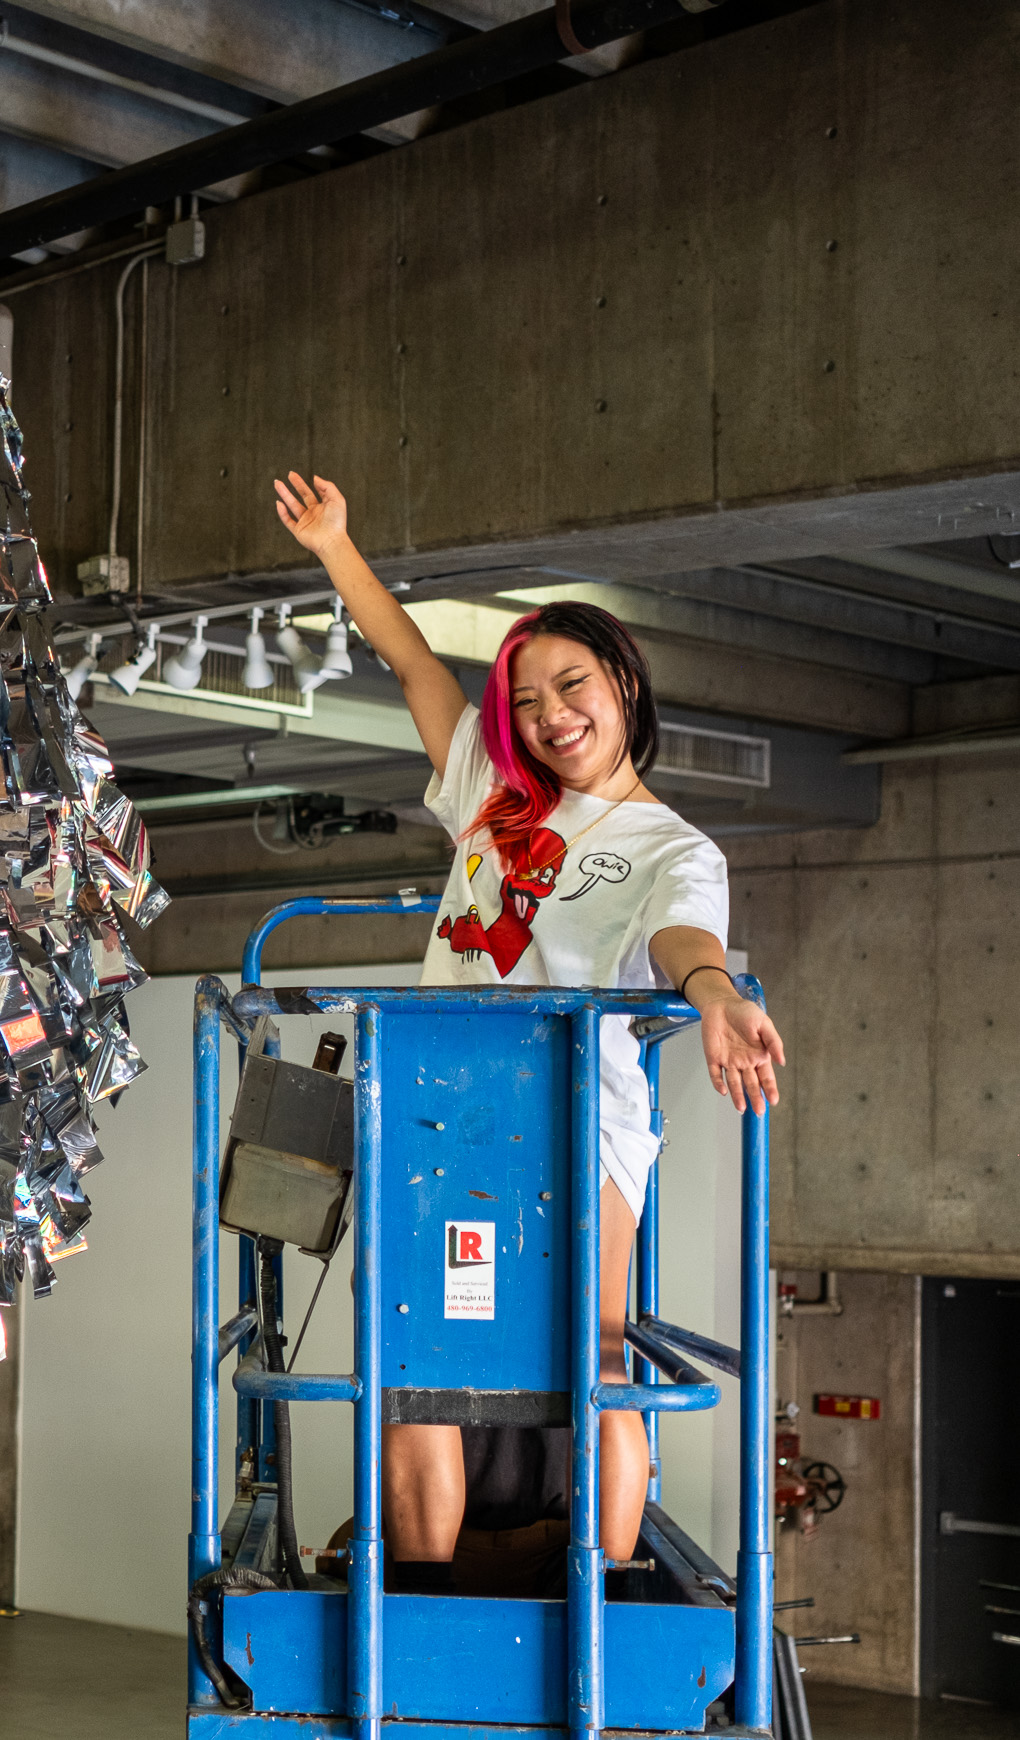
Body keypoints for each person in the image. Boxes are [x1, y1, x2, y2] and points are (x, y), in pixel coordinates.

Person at [272, 470, 787, 1582]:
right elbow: (411, 660)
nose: (550, 716)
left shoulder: (672, 849)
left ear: (624, 682)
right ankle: (416, 1593)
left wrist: (717, 998)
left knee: (590, 1357)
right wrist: (335, 549)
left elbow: (681, 943)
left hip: (569, 1119)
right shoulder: (490, 799)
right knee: (412, 1365)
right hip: (431, 1109)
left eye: (572, 685)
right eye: (527, 701)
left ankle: (598, 1594)